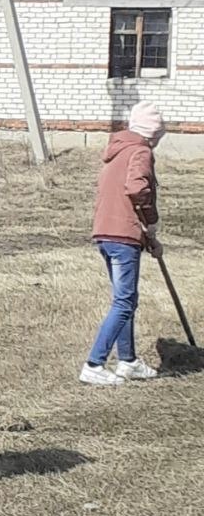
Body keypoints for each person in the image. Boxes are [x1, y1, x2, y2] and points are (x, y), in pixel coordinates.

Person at [81, 101, 166, 386]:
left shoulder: (116, 151)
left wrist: (149, 238)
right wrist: (151, 222)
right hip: (122, 236)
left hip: (106, 233)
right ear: (152, 132)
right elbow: (137, 189)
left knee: (126, 300)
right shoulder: (141, 150)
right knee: (124, 302)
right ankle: (94, 364)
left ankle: (128, 361)